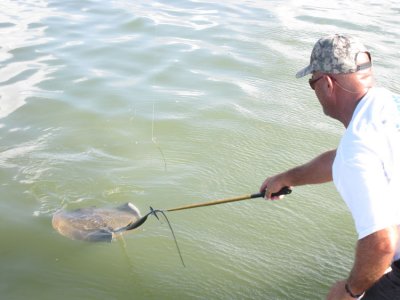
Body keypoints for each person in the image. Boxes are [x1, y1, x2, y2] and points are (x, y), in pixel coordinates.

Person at [259, 34, 400, 299]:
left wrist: (349, 291)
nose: (315, 91)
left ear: (326, 84)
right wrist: (288, 177)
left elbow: (381, 243)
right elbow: (345, 159)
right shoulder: (388, 107)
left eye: (312, 83)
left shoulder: (358, 147)